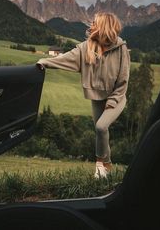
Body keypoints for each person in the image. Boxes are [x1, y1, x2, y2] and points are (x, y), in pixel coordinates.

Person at [36, 12, 130, 178]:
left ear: (104, 27)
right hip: (97, 97)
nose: (91, 25)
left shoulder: (121, 49)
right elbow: (65, 59)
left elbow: (123, 80)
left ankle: (101, 166)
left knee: (101, 127)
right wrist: (44, 62)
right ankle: (107, 167)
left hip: (117, 97)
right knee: (100, 132)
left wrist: (113, 101)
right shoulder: (85, 47)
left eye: (95, 22)